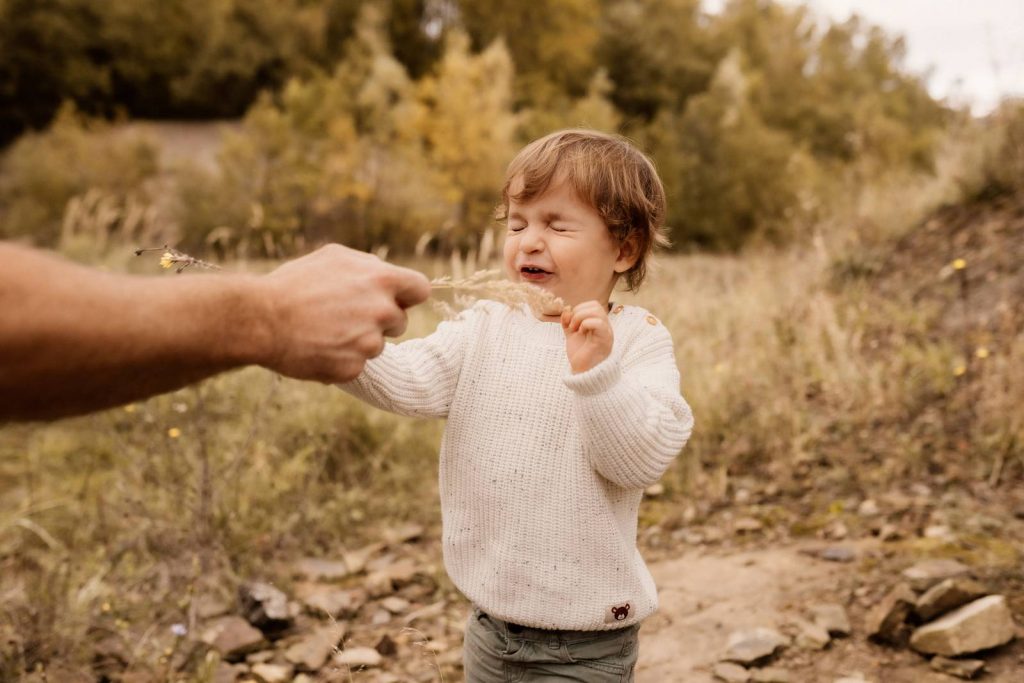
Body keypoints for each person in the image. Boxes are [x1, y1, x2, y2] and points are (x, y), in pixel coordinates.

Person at [340, 129, 694, 681]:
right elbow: (409, 380)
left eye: (556, 224)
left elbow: (638, 461)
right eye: (516, 223)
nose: (529, 241)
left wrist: (597, 373)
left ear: (623, 249)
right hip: (490, 626)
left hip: (588, 643)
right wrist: (341, 347)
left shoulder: (637, 340)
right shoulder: (486, 327)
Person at [0, 242, 430, 421]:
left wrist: (274, 314)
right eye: (502, 224)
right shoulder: (476, 335)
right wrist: (281, 316)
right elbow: (414, 380)